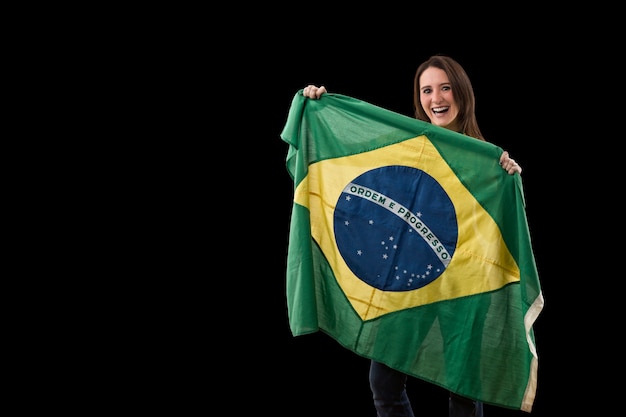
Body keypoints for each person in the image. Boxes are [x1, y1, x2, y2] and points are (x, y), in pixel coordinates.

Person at [302, 54, 522, 417]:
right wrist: (320, 110)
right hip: (410, 285)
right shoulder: (406, 146)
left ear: (462, 94)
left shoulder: (488, 162)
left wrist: (511, 182)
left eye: (446, 88)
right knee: (383, 384)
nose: (436, 98)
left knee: (464, 393)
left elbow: (507, 229)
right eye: (427, 90)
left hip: (464, 289)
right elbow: (347, 157)